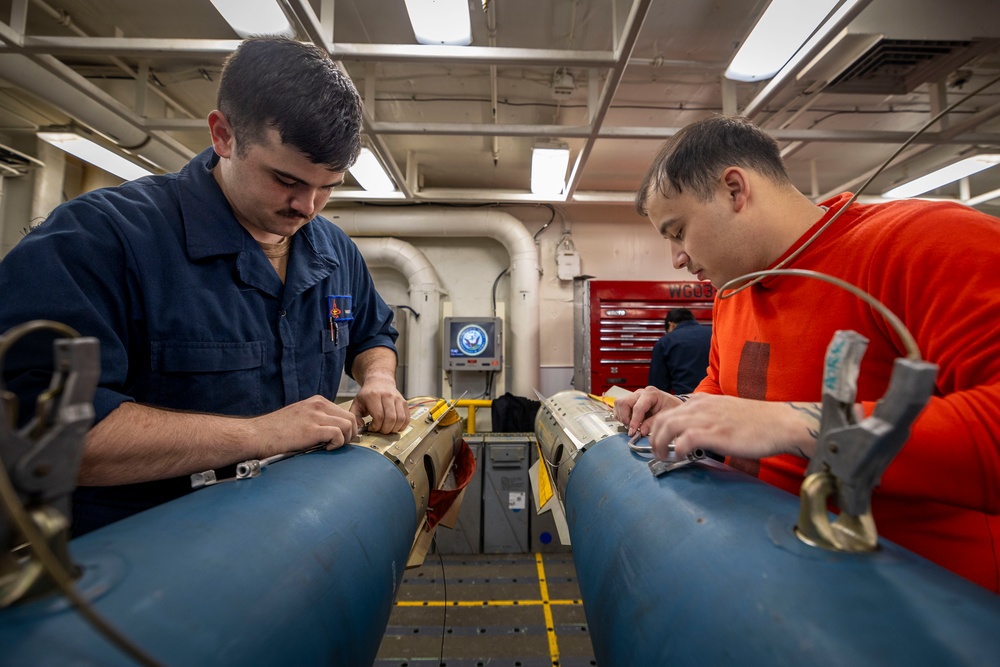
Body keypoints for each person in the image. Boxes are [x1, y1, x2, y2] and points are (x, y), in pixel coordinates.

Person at [0, 37, 410, 536]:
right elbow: (48, 441)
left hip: (293, 536)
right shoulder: (98, 242)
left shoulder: (332, 250)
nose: (308, 206)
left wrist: (378, 379)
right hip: (136, 560)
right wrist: (259, 434)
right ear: (223, 136)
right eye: (287, 180)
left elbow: (372, 334)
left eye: (328, 186)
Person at [614, 114, 1000, 593]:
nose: (676, 257)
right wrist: (687, 409)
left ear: (735, 190)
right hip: (774, 577)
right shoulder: (733, 290)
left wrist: (793, 424)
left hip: (929, 600)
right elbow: (726, 385)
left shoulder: (924, 242)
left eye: (677, 231)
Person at [647, 308, 711, 395]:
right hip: (719, 400)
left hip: (685, 401)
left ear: (671, 325)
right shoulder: (713, 333)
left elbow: (657, 385)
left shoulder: (665, 341)